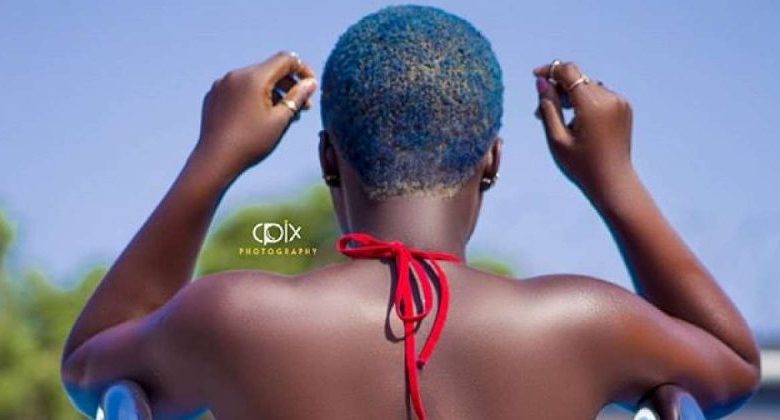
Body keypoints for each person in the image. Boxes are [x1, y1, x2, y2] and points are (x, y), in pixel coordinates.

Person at [61, 5, 760, 419]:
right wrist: (615, 181)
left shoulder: (233, 317)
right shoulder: (587, 321)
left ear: (329, 160)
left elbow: (88, 366)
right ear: (492, 162)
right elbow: (733, 366)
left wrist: (213, 158)